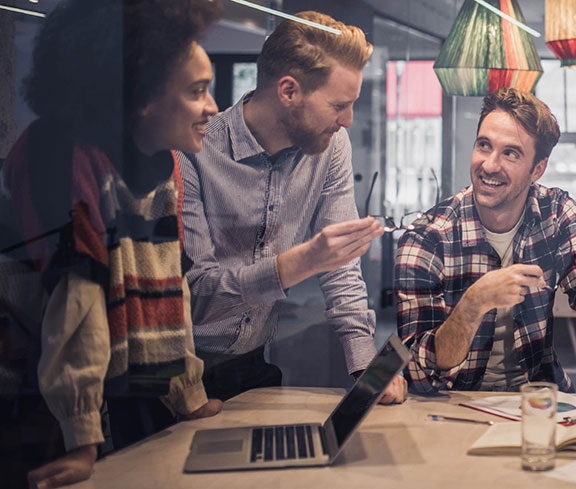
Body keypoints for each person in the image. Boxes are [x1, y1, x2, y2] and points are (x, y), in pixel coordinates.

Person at [0, 1, 224, 487]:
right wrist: (82, 440)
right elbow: (75, 302)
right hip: (37, 414)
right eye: (197, 91)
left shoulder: (164, 164)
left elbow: (169, 288)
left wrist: (188, 395)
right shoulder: (57, 152)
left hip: (121, 403)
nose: (213, 108)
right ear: (141, 94)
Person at [182, 11, 405, 404]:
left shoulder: (331, 145)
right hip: (177, 371)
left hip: (252, 365)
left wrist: (365, 365)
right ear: (289, 92)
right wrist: (297, 264)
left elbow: (342, 268)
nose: (348, 120)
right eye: (339, 105)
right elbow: (197, 295)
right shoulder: (195, 148)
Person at [397, 87, 576, 414]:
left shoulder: (556, 213)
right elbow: (418, 371)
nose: (489, 165)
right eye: (484, 146)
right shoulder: (428, 238)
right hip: (453, 407)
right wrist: (474, 303)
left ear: (537, 169)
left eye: (510, 153)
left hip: (540, 400)